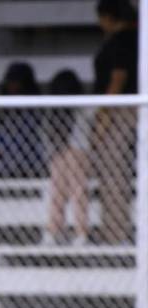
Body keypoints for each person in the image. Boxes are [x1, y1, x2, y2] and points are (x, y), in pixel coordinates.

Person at [91, 0, 138, 244]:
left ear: (109, 17)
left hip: (121, 112)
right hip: (131, 110)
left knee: (113, 172)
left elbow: (118, 78)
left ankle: (114, 233)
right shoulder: (138, 37)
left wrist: (102, 116)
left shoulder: (121, 41)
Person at [0, 62, 44, 179]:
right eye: (10, 81)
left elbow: (22, 146)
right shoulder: (1, 111)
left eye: (17, 81)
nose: (12, 85)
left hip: (24, 163)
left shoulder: (34, 113)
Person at [45, 69, 90, 245]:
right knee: (57, 190)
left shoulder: (82, 108)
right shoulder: (53, 111)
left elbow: (82, 138)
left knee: (77, 189)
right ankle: (54, 230)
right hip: (59, 151)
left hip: (78, 150)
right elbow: (51, 137)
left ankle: (80, 232)